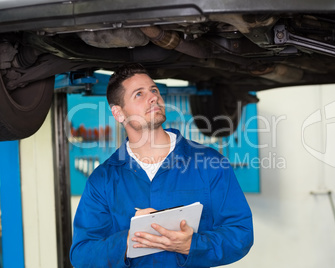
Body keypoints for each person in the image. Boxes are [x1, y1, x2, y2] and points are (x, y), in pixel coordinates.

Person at [69, 63, 254, 267]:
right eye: (139, 94)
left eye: (154, 90)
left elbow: (241, 234)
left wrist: (192, 245)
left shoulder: (210, 163)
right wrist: (128, 240)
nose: (153, 97)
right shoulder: (103, 179)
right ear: (118, 113)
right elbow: (82, 256)